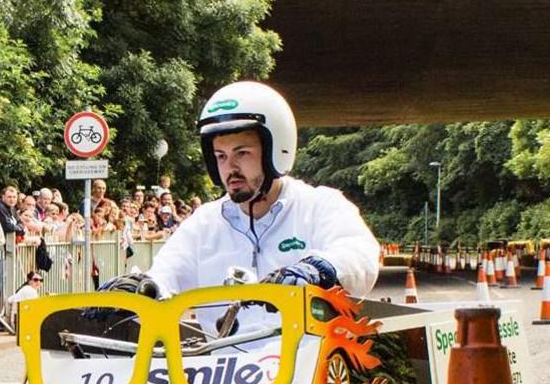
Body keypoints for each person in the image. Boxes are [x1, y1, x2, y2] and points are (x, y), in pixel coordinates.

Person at [133, 81, 380, 299]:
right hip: (224, 350)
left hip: (306, 350)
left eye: (242, 153)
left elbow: (359, 254)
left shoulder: (319, 205)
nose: (230, 167)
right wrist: (137, 288)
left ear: (276, 150)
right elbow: (165, 273)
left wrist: (318, 269)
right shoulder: (204, 223)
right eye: (221, 156)